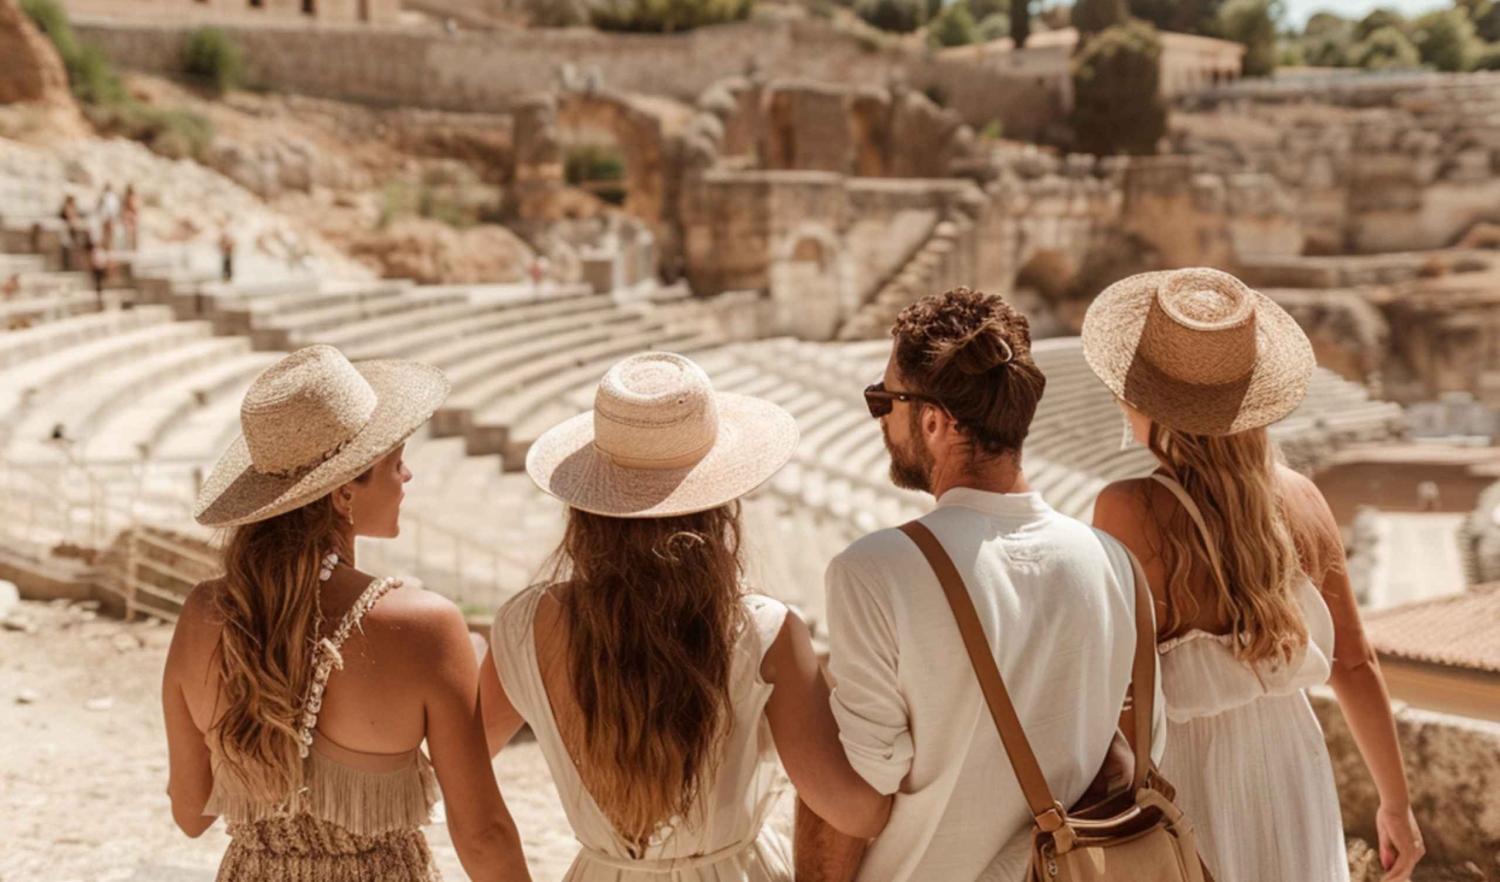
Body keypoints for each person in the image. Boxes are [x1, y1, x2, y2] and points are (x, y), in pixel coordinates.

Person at [479, 351, 891, 881]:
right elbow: (851, 809)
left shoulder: (523, 627)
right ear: (720, 503)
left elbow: (452, 770)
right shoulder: (763, 632)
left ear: (587, 506)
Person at [798, 288, 1165, 882]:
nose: (880, 417)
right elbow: (1139, 748)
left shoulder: (875, 569)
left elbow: (856, 790)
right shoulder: (1114, 562)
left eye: (882, 400)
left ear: (935, 421)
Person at [1082, 267, 1424, 882]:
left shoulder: (1129, 509)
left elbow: (1113, 688)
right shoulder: (1304, 499)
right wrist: (1395, 805)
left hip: (1186, 778)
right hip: (1294, 764)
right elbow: (1355, 663)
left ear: (1149, 401)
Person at [161, 344, 532, 881]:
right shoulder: (423, 625)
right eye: (394, 461)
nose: (407, 477)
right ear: (342, 493)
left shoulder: (203, 612)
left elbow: (190, 812)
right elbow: (482, 835)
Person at [121, 184, 140, 250]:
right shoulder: (132, 197)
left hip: (129, 214)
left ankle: (131, 246)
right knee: (131, 231)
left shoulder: (129, 197)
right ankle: (132, 246)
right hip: (130, 214)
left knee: (130, 231)